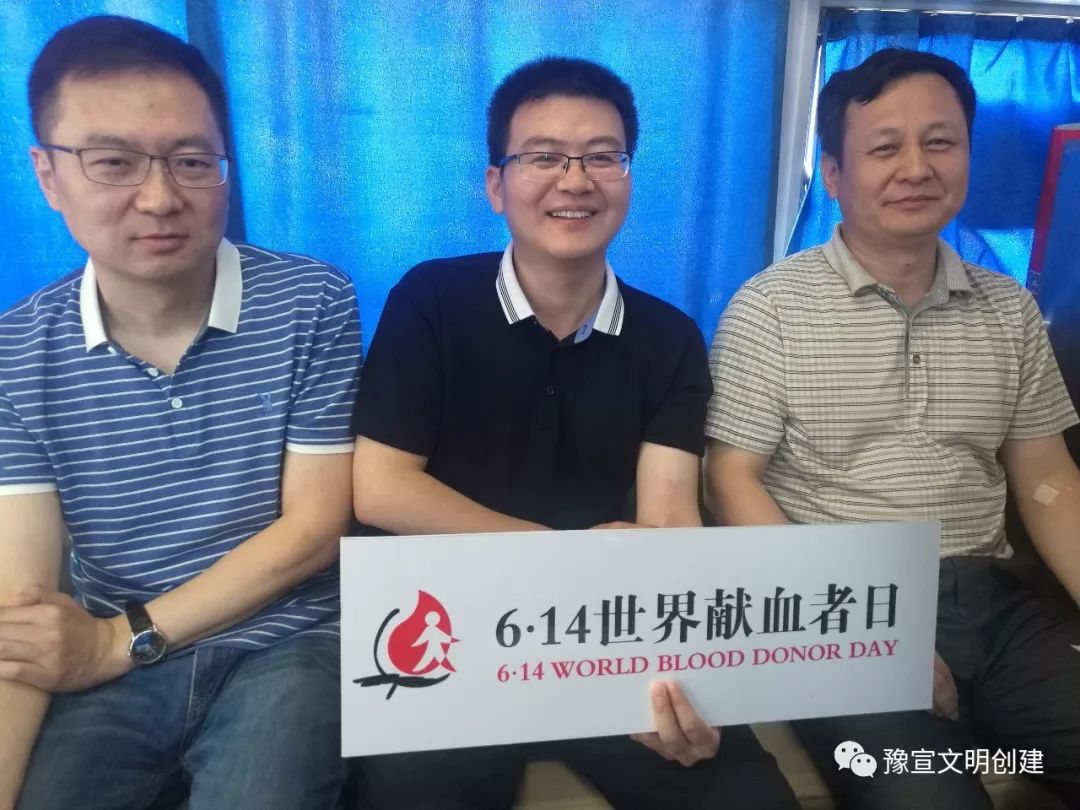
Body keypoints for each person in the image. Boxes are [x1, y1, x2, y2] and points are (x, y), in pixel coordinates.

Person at [351, 55, 799, 809]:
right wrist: (563, 554)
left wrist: (689, 681)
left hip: (604, 634)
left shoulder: (669, 338)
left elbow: (668, 524)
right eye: (543, 157)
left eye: (602, 156)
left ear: (628, 177)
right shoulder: (432, 299)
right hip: (450, 629)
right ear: (496, 185)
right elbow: (382, 489)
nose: (575, 179)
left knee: (744, 792)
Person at [0, 16, 360, 809]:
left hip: (289, 641)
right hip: (113, 670)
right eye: (113, 162)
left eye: (192, 162)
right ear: (48, 175)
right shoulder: (14, 355)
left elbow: (314, 528)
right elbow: (22, 615)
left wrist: (117, 639)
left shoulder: (312, 300)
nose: (161, 197)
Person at [705, 47, 1080, 809]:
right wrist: (860, 634)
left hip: (996, 602)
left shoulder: (1009, 310)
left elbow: (1047, 478)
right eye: (885, 148)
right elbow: (728, 481)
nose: (917, 168)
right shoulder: (769, 307)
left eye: (940, 142)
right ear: (833, 174)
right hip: (841, 611)